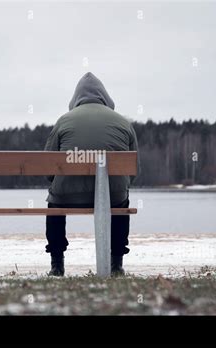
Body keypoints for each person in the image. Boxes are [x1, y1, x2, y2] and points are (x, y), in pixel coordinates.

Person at [44, 72, 139, 277]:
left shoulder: (64, 120)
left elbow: (48, 167)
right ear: (105, 97)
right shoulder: (123, 123)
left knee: (54, 204)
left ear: (76, 98)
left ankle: (57, 265)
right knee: (121, 200)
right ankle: (116, 264)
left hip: (67, 194)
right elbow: (133, 170)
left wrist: (59, 182)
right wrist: (118, 186)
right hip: (112, 194)